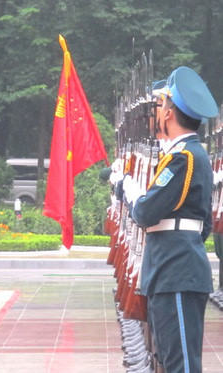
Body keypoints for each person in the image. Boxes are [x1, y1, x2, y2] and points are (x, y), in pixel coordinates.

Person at [122, 66, 218, 372]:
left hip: (177, 269)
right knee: (167, 359)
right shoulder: (178, 156)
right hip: (170, 266)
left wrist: (131, 190)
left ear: (170, 113)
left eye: (161, 105)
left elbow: (145, 212)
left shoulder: (185, 157)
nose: (156, 112)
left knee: (181, 365)